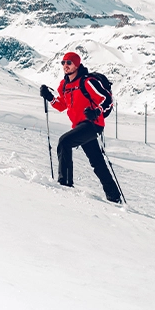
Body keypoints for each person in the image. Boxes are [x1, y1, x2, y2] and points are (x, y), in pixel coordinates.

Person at [39, 52, 122, 203]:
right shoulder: (64, 86)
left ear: (77, 64)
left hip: (92, 124)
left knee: (65, 142)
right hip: (79, 126)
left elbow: (107, 99)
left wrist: (97, 111)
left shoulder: (87, 82)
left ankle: (65, 183)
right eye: (63, 63)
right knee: (97, 162)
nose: (65, 65)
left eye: (69, 63)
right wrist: (49, 97)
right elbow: (61, 106)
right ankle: (114, 196)